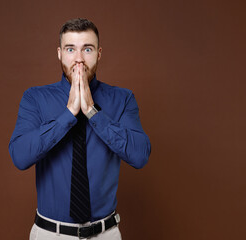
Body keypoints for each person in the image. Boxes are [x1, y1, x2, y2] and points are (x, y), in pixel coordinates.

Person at [9, 18, 151, 239]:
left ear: (99, 53)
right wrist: (68, 115)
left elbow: (140, 155)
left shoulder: (123, 99)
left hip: (105, 234)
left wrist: (93, 112)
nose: (79, 59)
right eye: (70, 49)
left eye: (87, 49)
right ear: (59, 53)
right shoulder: (35, 98)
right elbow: (20, 157)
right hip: (50, 234)